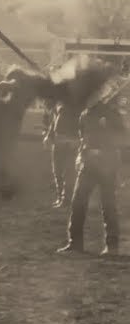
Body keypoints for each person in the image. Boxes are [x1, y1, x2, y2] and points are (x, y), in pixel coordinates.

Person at [57, 85, 126, 257]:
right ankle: (75, 243)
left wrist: (104, 149)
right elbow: (83, 139)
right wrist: (81, 155)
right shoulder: (85, 115)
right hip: (88, 163)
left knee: (108, 204)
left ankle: (112, 246)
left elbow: (122, 137)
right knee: (78, 202)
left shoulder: (111, 114)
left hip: (106, 164)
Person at [43, 98, 79, 208]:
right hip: (58, 141)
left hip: (71, 141)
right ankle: (60, 197)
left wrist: (78, 140)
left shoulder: (77, 104)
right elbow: (54, 121)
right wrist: (48, 136)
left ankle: (66, 199)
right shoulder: (58, 102)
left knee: (68, 172)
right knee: (57, 171)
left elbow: (83, 122)